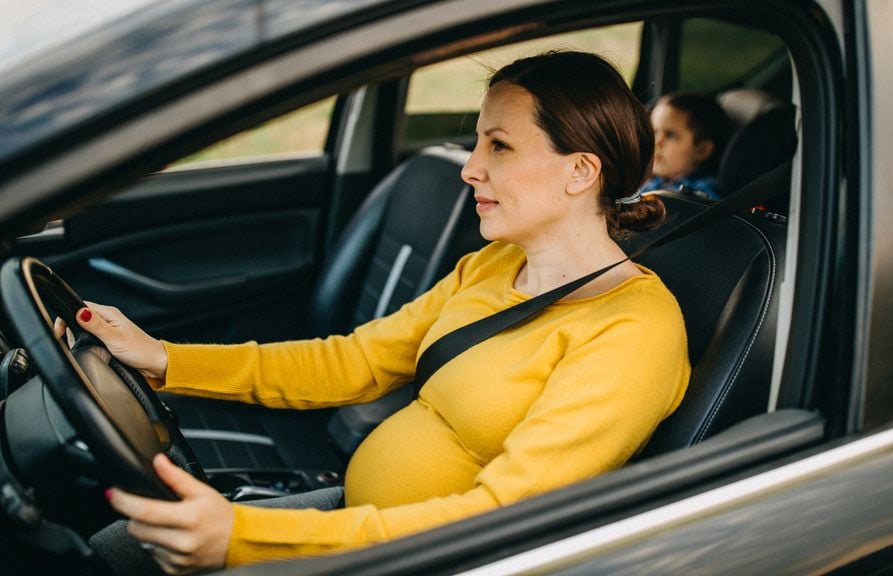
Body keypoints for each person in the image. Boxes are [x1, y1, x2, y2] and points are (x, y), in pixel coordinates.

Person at [73, 51, 691, 575]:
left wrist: (247, 537)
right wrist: (166, 359)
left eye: (498, 145)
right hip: (358, 521)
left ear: (580, 171)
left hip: (427, 557)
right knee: (115, 548)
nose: (471, 167)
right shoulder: (493, 266)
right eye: (477, 140)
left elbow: (507, 515)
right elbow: (355, 361)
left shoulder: (633, 331)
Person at [640, 91, 732, 200]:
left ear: (702, 150)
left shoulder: (702, 198)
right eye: (654, 131)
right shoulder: (656, 182)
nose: (656, 142)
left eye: (670, 135)